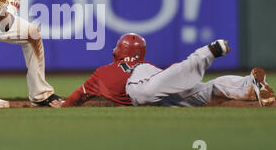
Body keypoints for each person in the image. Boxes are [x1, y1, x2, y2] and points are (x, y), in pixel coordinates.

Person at [61, 33, 274, 108]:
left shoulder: (103, 71)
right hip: (161, 89)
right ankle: (250, 84)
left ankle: (208, 52)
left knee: (144, 93)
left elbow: (78, 96)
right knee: (206, 91)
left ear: (119, 50)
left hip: (142, 85)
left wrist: (64, 106)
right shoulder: (146, 65)